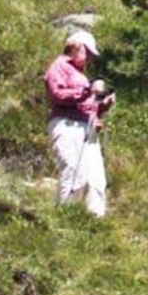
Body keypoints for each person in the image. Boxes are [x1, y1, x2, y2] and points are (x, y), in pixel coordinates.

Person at [44, 29, 116, 217]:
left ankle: (96, 219)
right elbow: (57, 94)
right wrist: (87, 91)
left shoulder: (80, 75)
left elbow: (88, 106)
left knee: (95, 178)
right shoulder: (59, 67)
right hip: (67, 125)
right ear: (77, 47)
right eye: (88, 52)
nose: (89, 58)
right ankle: (66, 215)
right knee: (73, 170)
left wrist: (102, 105)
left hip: (87, 127)